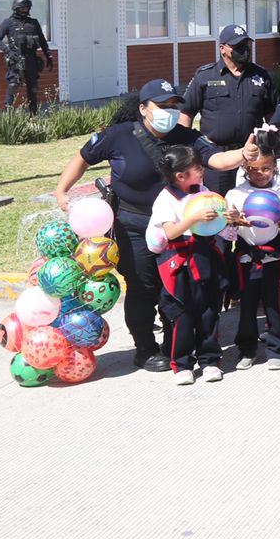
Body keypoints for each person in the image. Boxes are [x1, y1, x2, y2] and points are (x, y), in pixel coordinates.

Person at [54, 80, 256, 372]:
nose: (170, 112)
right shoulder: (119, 135)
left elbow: (216, 159)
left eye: (174, 106)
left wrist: (243, 155)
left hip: (181, 226)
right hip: (133, 224)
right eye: (163, 106)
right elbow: (83, 158)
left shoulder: (185, 135)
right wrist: (62, 190)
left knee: (176, 287)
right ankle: (145, 348)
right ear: (144, 109)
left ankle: (176, 345)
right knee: (142, 286)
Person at [147, 145, 228, 384]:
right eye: (197, 168)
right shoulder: (165, 198)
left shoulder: (201, 190)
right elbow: (170, 232)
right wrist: (193, 218)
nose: (202, 171)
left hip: (204, 255)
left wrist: (226, 215)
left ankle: (210, 360)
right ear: (180, 175)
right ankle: (181, 364)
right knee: (182, 314)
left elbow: (216, 216)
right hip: (179, 261)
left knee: (208, 310)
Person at [223, 135, 280, 369]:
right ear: (245, 169)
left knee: (273, 303)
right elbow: (227, 231)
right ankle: (247, 349)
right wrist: (235, 222)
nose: (261, 173)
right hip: (247, 256)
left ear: (275, 168)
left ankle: (277, 349)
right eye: (254, 169)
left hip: (273, 254)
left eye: (266, 168)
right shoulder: (235, 194)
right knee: (247, 304)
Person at [182, 24, 277, 196]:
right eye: (238, 46)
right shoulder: (205, 76)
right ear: (222, 49)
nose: (244, 50)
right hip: (217, 155)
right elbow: (186, 113)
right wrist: (184, 151)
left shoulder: (261, 76)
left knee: (251, 203)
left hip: (251, 154)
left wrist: (275, 146)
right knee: (218, 205)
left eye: (246, 46)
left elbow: (272, 115)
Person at [0, 0, 54, 112]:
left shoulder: (33, 22)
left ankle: (33, 113)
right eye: (23, 8)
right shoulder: (8, 22)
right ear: (16, 8)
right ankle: (7, 113)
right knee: (13, 85)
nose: (26, 10)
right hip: (16, 58)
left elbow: (42, 41)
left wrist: (49, 56)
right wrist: (8, 52)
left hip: (31, 59)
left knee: (33, 87)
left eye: (27, 8)